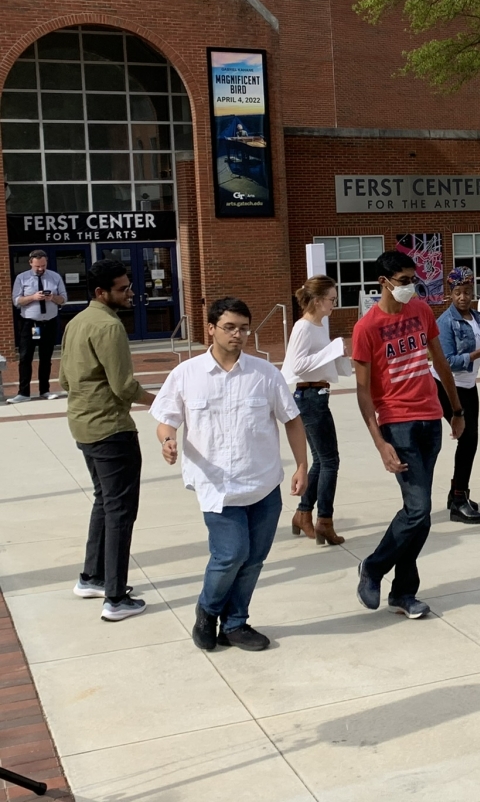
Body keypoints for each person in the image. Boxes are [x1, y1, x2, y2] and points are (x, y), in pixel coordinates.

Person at [152, 297, 309, 652]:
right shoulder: (186, 375)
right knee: (231, 554)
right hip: (216, 485)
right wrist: (168, 441)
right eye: (229, 327)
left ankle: (236, 623)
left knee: (254, 557)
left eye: (243, 327)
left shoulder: (264, 374)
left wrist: (302, 465)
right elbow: (166, 421)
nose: (238, 334)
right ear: (210, 329)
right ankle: (207, 611)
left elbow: (293, 420)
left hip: (264, 481)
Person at [353, 251, 466, 619]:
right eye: (403, 281)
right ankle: (372, 567)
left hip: (430, 418)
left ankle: (403, 592)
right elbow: (363, 391)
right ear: (384, 282)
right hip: (397, 423)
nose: (410, 287)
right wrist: (380, 443)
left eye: (412, 280)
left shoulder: (420, 311)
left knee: (420, 515)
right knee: (418, 510)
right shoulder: (367, 328)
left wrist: (456, 411)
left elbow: (440, 362)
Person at [58, 258, 155, 621]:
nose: (130, 293)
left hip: (82, 425)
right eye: (123, 289)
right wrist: (160, 402)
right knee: (120, 512)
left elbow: (65, 381)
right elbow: (124, 386)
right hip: (111, 430)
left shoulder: (76, 322)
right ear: (102, 293)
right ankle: (115, 598)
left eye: (129, 286)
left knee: (104, 502)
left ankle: (92, 577)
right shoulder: (109, 327)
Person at [282, 275, 350, 545]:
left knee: (322, 460)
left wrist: (340, 354)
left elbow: (324, 360)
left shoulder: (319, 325)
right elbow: (297, 365)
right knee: (330, 461)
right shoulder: (304, 327)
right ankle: (324, 520)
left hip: (317, 394)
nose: (334, 303)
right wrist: (333, 349)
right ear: (318, 300)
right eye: (332, 299)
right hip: (309, 396)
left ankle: (303, 514)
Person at [434, 267, 480, 524]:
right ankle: (458, 499)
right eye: (457, 293)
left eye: (466, 292)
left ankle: (458, 494)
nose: (462, 297)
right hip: (446, 386)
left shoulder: (476, 317)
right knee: (467, 440)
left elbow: (479, 348)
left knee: (470, 441)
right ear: (449, 295)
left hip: (468, 385)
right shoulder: (445, 322)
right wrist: (479, 354)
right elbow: (448, 361)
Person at [9, 250, 67, 403]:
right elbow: (16, 301)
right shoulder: (22, 278)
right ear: (30, 263)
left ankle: (45, 390)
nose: (41, 269)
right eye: (37, 266)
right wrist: (33, 297)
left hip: (49, 323)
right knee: (25, 357)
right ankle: (23, 393)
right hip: (30, 323)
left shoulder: (55, 277)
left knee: (46, 357)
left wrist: (52, 297)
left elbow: (63, 299)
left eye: (43, 265)